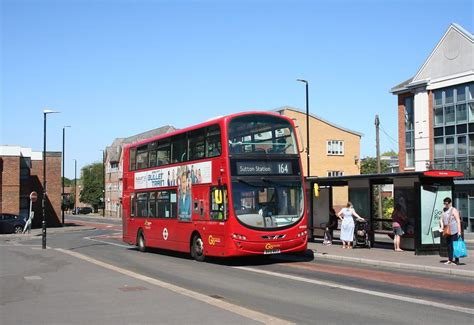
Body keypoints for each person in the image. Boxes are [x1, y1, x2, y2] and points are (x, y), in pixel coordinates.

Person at [440, 197, 462, 265]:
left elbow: (458, 221)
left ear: (450, 203)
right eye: (444, 204)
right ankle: (450, 259)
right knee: (449, 245)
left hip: (454, 230)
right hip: (447, 230)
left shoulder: (454, 210)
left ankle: (456, 260)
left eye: (446, 204)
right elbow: (441, 219)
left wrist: (459, 232)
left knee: (454, 245)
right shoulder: (444, 210)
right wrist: (442, 226)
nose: (445, 205)